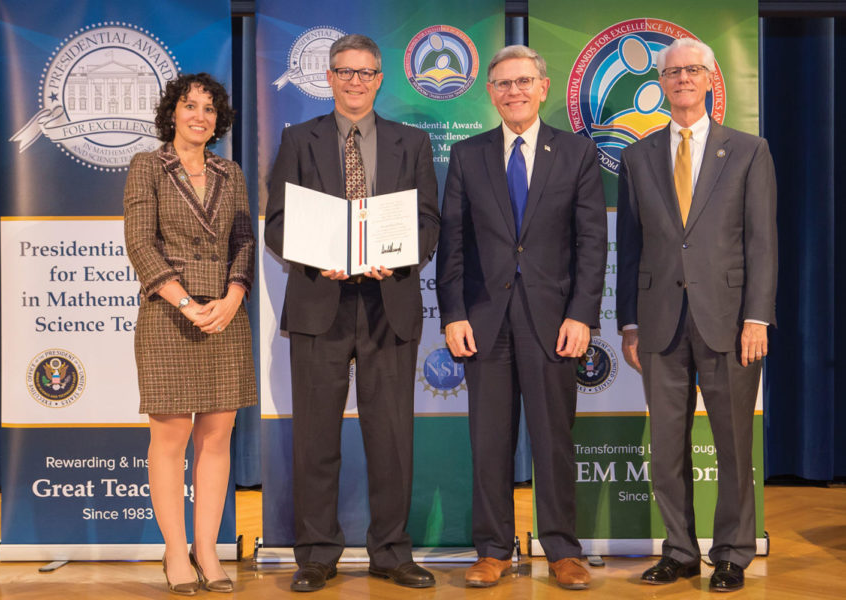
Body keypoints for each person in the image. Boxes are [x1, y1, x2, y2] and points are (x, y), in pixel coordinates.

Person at [264, 34, 439, 592]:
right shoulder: (299, 140)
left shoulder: (411, 142)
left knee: (391, 438)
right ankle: (315, 554)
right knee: (316, 437)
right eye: (346, 71)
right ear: (330, 77)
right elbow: (277, 222)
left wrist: (400, 257)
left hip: (389, 303)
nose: (356, 81)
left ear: (380, 78)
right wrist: (319, 259)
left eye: (366, 72)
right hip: (320, 302)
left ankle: (391, 551)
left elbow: (430, 222)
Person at [437, 45, 607, 590]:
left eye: (524, 81)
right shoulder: (467, 155)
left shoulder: (577, 154)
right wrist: (453, 314)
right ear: (489, 92)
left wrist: (583, 314)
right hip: (484, 322)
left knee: (554, 439)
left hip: (554, 322)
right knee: (489, 441)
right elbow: (453, 243)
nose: (514, 91)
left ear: (543, 87)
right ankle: (492, 549)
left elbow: (591, 242)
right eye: (503, 83)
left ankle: (561, 550)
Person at [617, 38, 777, 592]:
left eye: (692, 70)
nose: (682, 78)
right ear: (660, 83)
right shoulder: (638, 157)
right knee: (666, 447)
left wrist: (757, 316)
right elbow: (630, 246)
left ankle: (731, 553)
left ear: (710, 79)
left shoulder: (750, 150)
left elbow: (762, 243)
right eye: (672, 71)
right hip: (659, 322)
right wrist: (628, 323)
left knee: (733, 445)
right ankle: (680, 551)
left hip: (730, 322)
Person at [124, 72, 256, 595]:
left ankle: (208, 549)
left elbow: (244, 239)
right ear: (172, 113)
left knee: (217, 436)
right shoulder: (146, 166)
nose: (199, 116)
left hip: (225, 314)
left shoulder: (232, 171)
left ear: (218, 120)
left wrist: (232, 297)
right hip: (168, 314)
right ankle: (175, 552)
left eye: (208, 109)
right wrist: (184, 301)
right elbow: (140, 243)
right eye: (190, 106)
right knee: (170, 439)